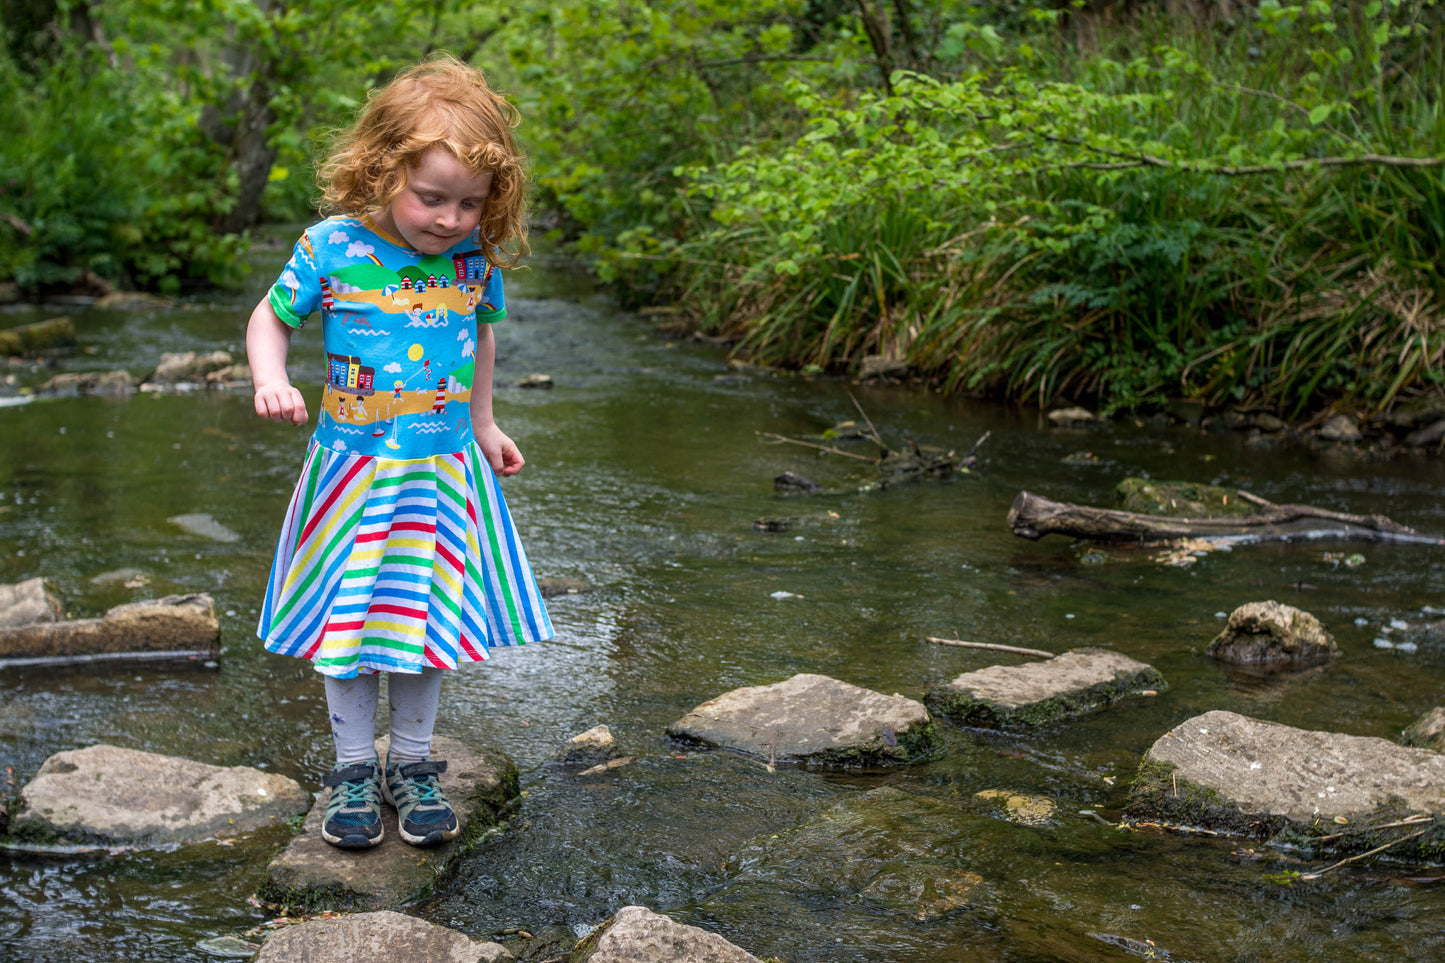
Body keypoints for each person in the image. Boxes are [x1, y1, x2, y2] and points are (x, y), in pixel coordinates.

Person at [245, 55, 553, 850]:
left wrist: (484, 424)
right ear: (381, 169)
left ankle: (410, 764)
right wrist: (270, 376)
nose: (450, 218)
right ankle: (353, 769)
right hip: (352, 472)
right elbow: (270, 318)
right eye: (431, 197)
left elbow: (479, 335)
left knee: (421, 622)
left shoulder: (471, 258)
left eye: (470, 203)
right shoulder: (330, 246)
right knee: (348, 626)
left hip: (440, 474)